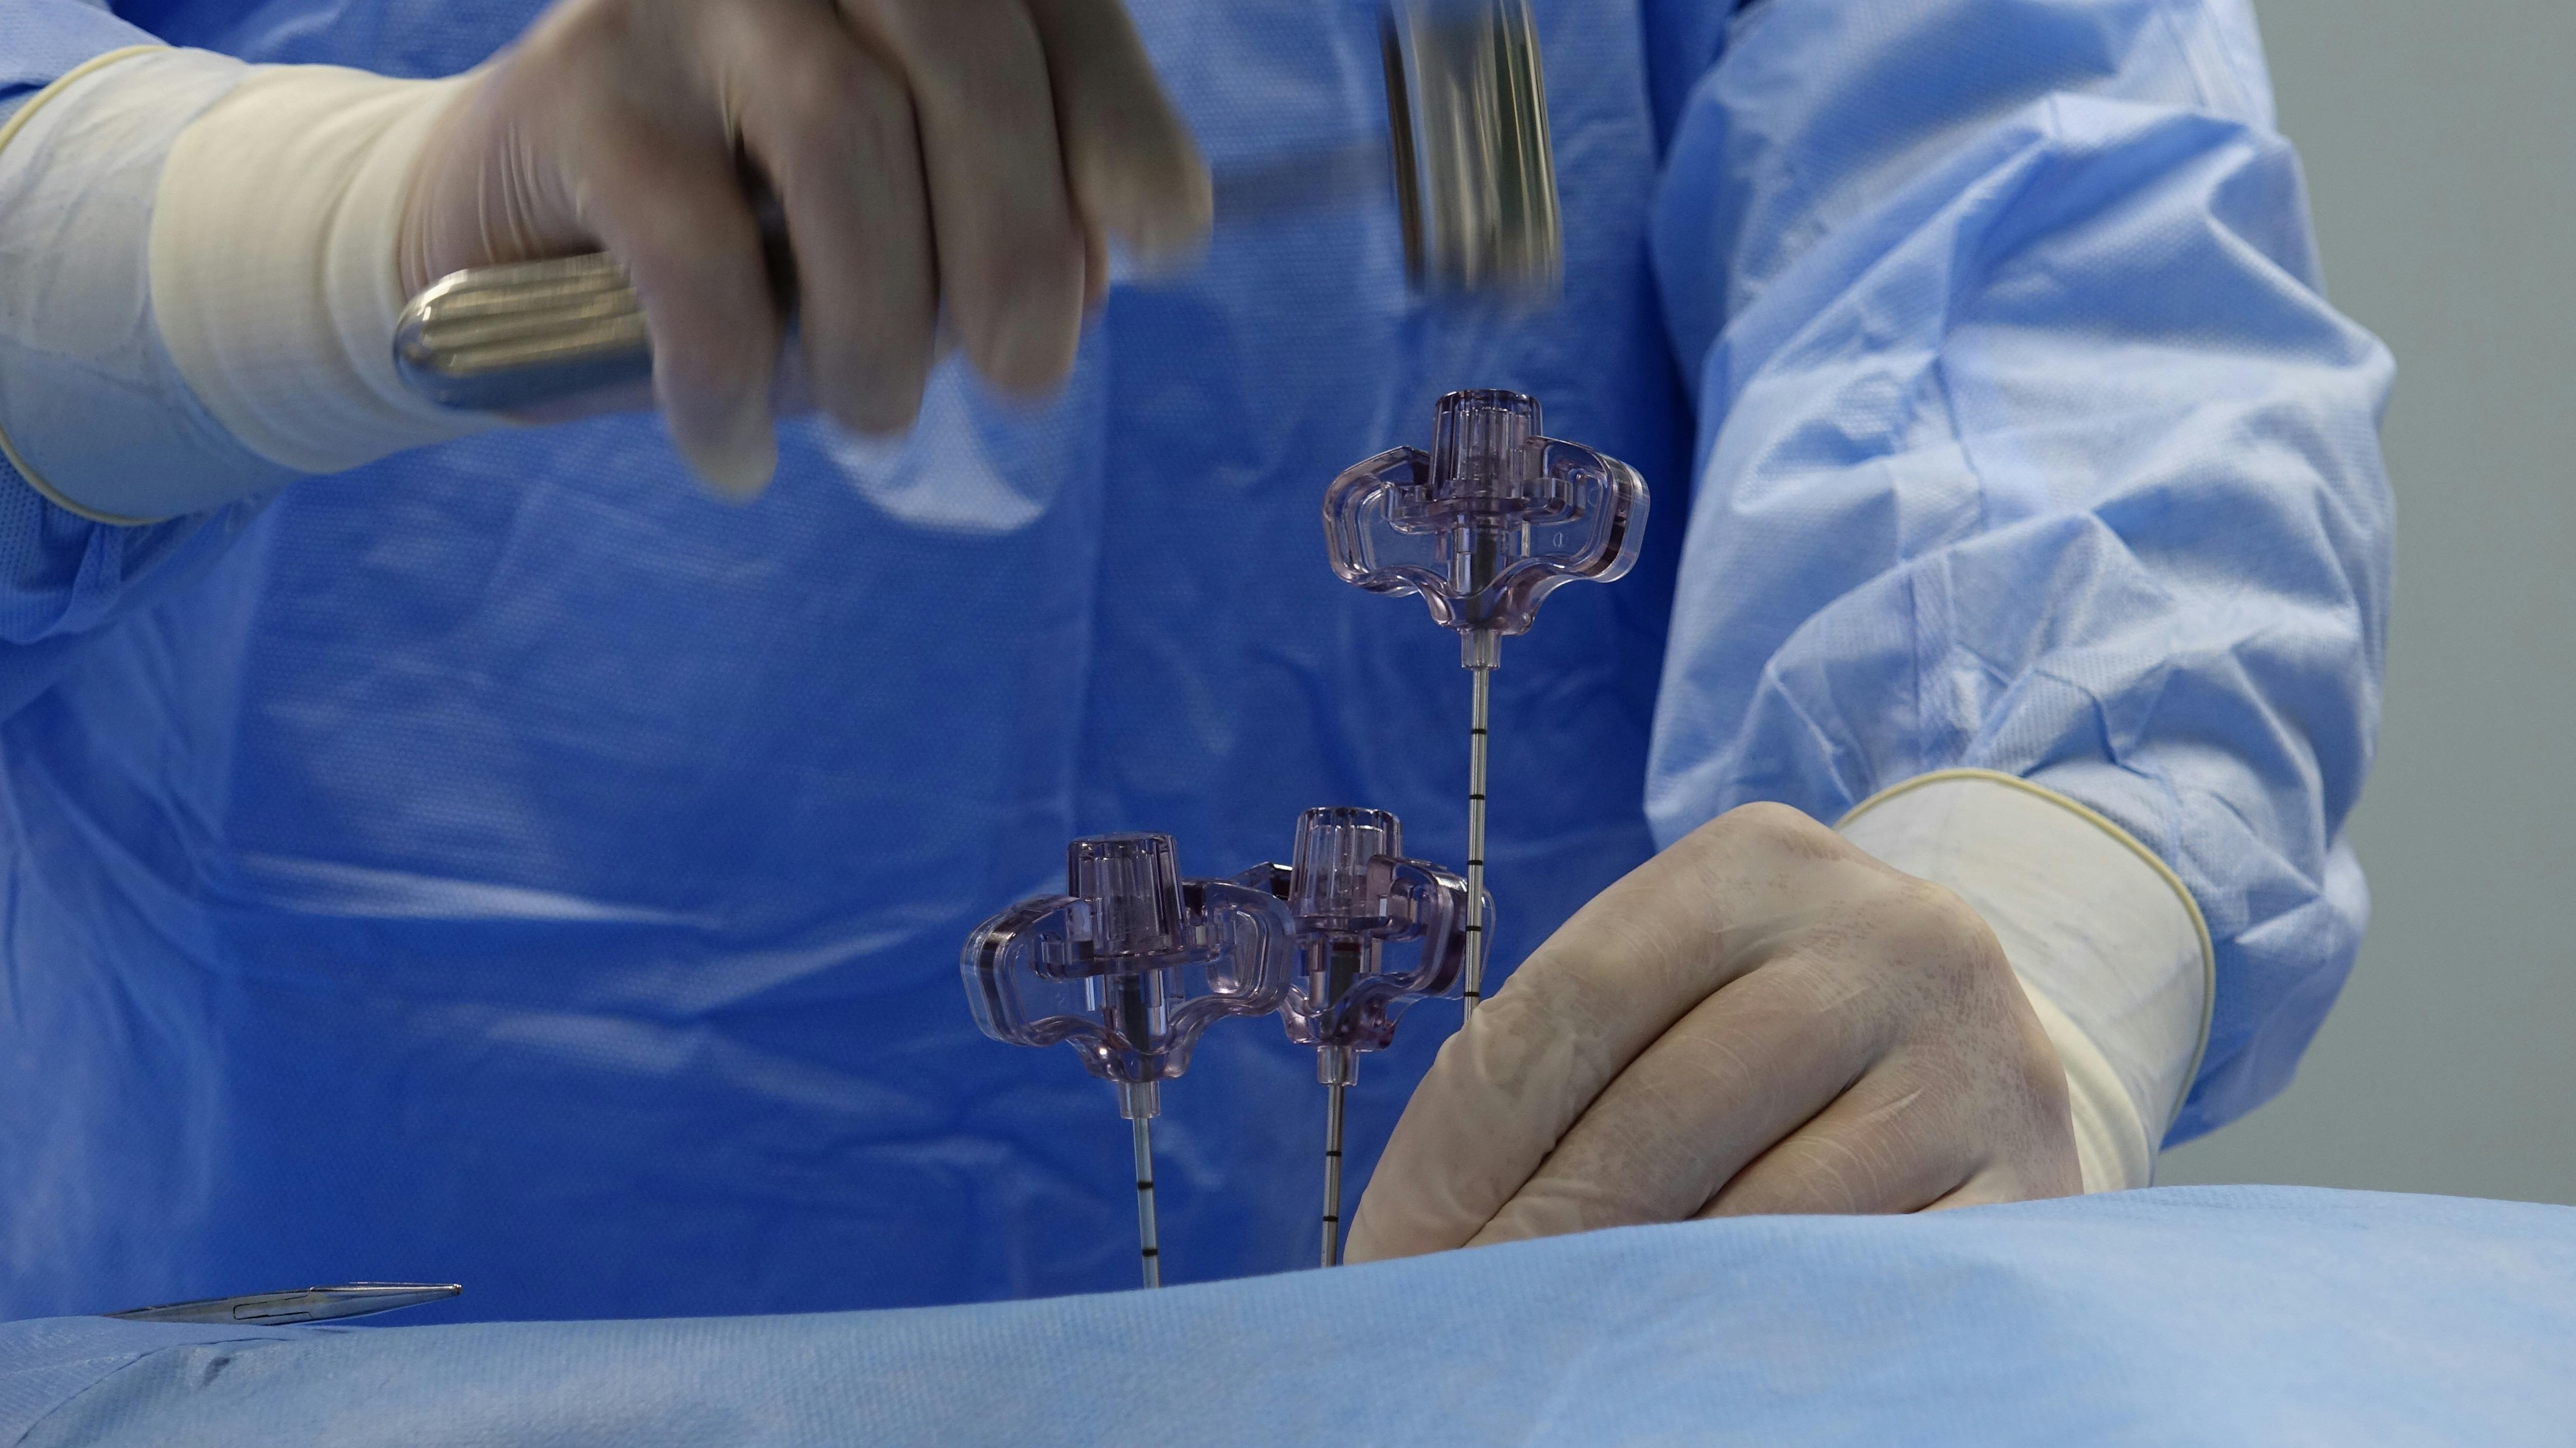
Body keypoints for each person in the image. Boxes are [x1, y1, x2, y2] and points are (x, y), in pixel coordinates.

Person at [0, 0, 2389, 1318]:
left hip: (1526, 1342)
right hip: (322, 1282)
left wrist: (2018, 894)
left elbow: (2039, 250)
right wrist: (315, 233)